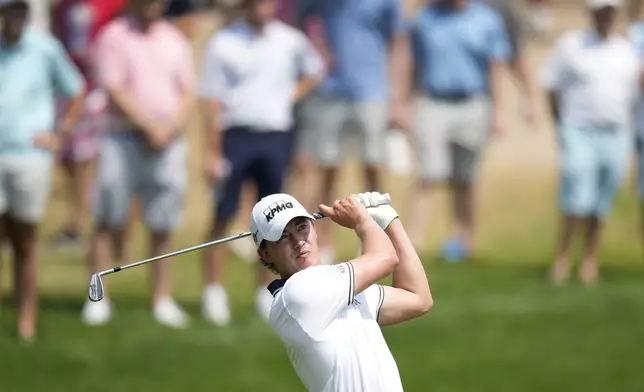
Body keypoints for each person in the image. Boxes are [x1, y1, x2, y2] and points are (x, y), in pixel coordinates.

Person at [199, 0, 325, 325]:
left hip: (275, 136)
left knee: (274, 223)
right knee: (223, 214)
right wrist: (211, 151)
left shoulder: (289, 39)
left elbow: (316, 69)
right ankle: (214, 290)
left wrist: (289, 95)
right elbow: (211, 99)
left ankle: (263, 290)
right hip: (236, 135)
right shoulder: (223, 42)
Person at [81, 0, 196, 327]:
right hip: (122, 137)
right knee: (107, 216)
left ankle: (161, 297)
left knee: (163, 221)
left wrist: (169, 127)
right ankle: (98, 298)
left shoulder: (174, 38)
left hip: (168, 140)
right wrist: (149, 126)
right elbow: (113, 88)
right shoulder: (113, 36)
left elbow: (188, 90)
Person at [252, 192, 432, 391]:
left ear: (314, 228)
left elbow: (418, 298)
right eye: (283, 236)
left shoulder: (337, 288)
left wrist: (389, 221)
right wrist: (362, 220)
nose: (298, 241)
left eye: (302, 227)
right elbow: (386, 257)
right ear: (265, 253)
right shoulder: (296, 294)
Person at [297, 0, 411, 265]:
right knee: (327, 170)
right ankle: (322, 244)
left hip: (372, 92)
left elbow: (398, 43)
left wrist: (398, 97)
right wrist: (316, 49)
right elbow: (299, 21)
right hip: (330, 94)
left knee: (373, 169)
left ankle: (379, 239)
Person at [0, 0, 85, 341]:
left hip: (30, 157)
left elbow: (76, 90)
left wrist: (60, 132)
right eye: (9, 11)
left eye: (20, 11)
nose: (15, 18)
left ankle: (26, 319)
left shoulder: (44, 48)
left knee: (25, 240)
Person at [541, 0, 639, 284]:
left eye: (610, 11)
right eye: (601, 11)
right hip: (578, 128)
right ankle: (562, 256)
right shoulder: (571, 45)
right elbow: (551, 85)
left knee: (601, 200)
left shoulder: (626, 50)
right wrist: (560, 124)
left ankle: (589, 259)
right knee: (575, 195)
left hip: (616, 131)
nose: (606, 16)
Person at [406, 0, 511, 262]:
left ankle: (463, 239)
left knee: (466, 177)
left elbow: (496, 66)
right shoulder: (425, 18)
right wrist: (405, 101)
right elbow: (413, 63)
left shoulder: (487, 19)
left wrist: (499, 110)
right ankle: (412, 242)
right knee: (427, 174)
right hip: (433, 101)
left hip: (473, 103)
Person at [49, 0, 127, 249]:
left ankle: (79, 224)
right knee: (67, 156)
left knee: (86, 158)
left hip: (97, 88)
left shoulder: (112, 3)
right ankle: (81, 216)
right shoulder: (62, 6)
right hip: (69, 87)